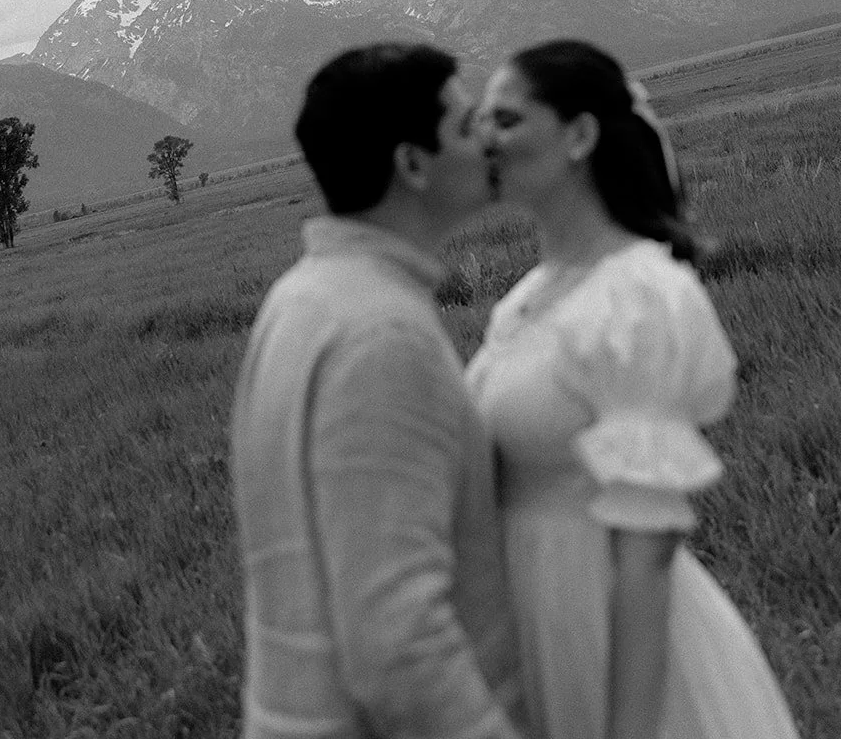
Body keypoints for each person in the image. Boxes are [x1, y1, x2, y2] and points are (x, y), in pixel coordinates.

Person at [468, 39, 798, 739]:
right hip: (528, 627)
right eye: (480, 119)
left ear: (579, 134)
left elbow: (646, 549)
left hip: (614, 634)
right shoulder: (525, 297)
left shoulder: (641, 296)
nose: (482, 138)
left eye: (505, 119)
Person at [230, 42, 525, 739]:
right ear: (412, 164)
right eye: (461, 127)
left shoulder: (301, 297)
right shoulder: (380, 335)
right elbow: (397, 642)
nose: (485, 139)